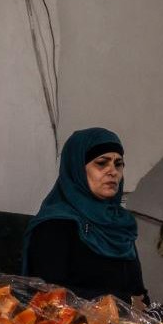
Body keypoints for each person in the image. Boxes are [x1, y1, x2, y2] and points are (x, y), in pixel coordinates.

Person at [22, 128, 147, 301]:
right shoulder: (55, 225)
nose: (113, 171)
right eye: (102, 163)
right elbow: (48, 294)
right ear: (77, 169)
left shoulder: (120, 224)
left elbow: (139, 294)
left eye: (118, 164)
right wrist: (125, 303)